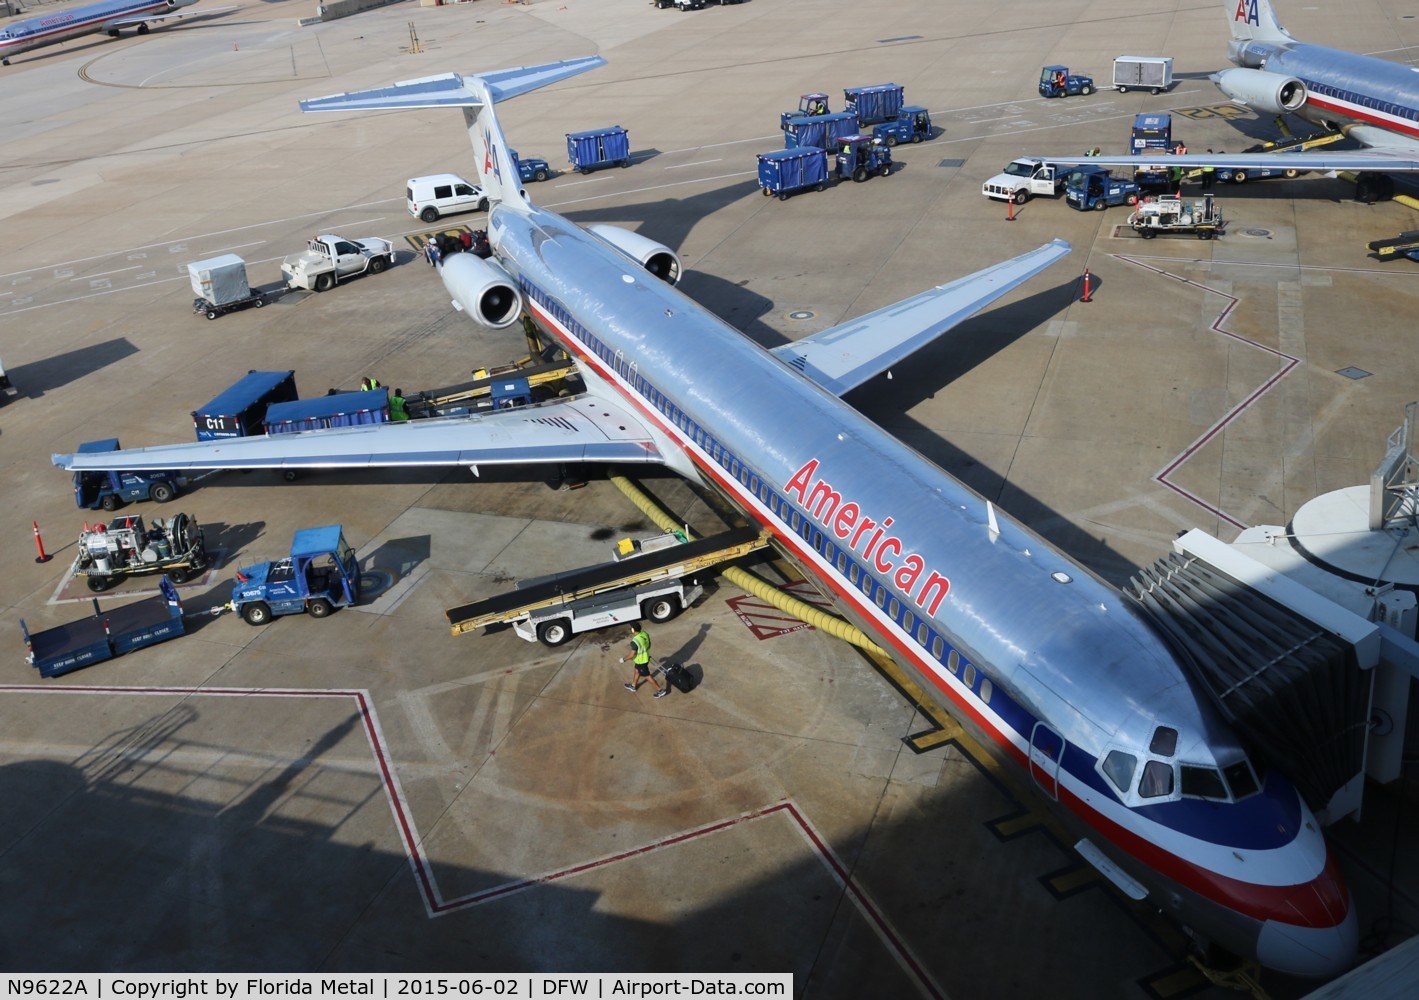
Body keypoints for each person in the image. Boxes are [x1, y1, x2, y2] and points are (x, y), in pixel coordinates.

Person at [619, 622, 667, 697]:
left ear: (633, 630)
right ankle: (633, 686)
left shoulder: (635, 641)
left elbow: (632, 654)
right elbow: (649, 645)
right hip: (644, 658)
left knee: (647, 676)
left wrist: (623, 659)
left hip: (641, 662)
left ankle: (660, 690)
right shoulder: (644, 634)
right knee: (636, 671)